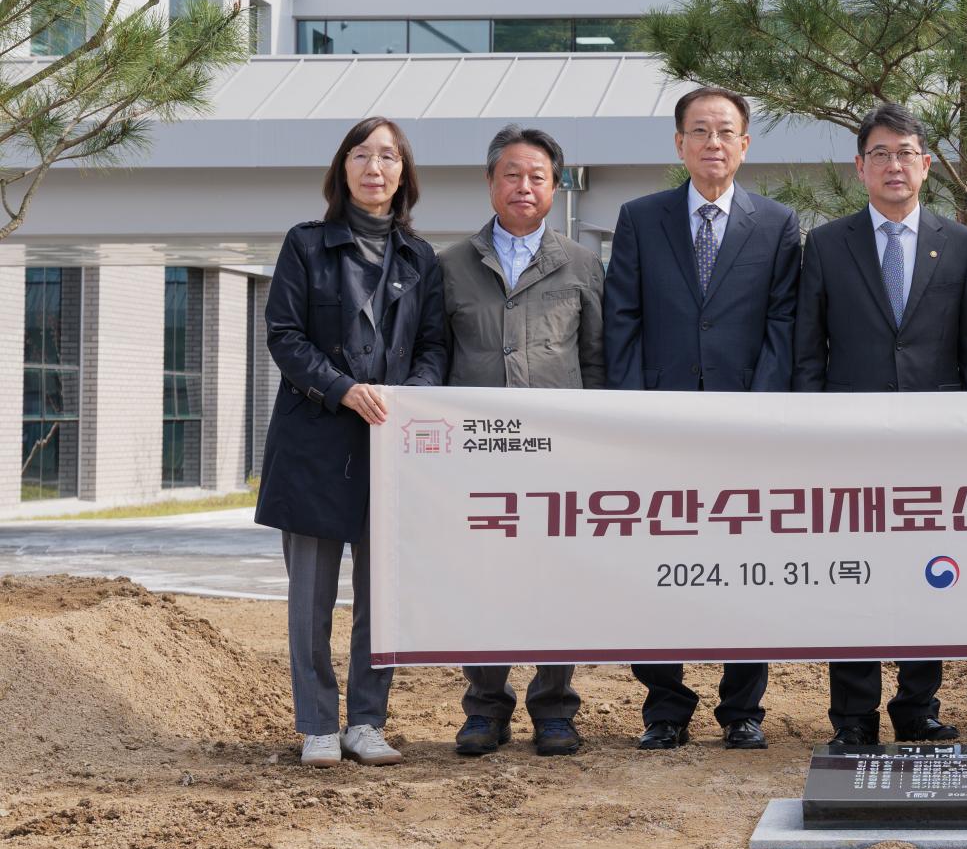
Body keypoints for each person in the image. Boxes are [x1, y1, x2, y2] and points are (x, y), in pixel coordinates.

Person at [604, 86, 801, 750]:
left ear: (745, 144)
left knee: (748, 568)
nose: (713, 143)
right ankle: (665, 706)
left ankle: (743, 708)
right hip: (659, 426)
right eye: (699, 130)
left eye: (725, 131)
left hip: (746, 427)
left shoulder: (777, 223)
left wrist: (759, 411)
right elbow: (623, 318)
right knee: (656, 566)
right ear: (679, 143)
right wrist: (633, 412)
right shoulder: (641, 218)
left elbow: (783, 323)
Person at [795, 101, 967, 746]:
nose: (893, 166)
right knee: (854, 573)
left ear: (927, 164)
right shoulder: (827, 244)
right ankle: (853, 716)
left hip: (936, 441)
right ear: (860, 168)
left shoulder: (963, 245)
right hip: (850, 439)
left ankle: (917, 706)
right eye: (879, 154)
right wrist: (815, 429)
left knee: (929, 569)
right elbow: (808, 350)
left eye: (905, 153)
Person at [257, 116, 447, 767]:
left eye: (388, 156)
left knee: (380, 598)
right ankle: (316, 723)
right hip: (313, 443)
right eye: (362, 154)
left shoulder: (422, 259)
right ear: (343, 168)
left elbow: (435, 346)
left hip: (389, 446)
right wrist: (342, 388)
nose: (375, 167)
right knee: (310, 599)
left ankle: (367, 721)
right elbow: (284, 335)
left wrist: (409, 397)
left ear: (403, 173)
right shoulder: (305, 244)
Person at [440, 124, 606, 759]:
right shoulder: (451, 265)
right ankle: (485, 708)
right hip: (476, 455)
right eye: (511, 174)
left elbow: (595, 362)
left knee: (555, 577)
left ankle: (555, 708)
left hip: (557, 456)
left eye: (538, 176)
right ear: (490, 183)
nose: (524, 186)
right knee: (482, 577)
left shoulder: (581, 264)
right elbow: (436, 357)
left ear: (555, 187)